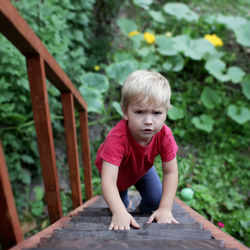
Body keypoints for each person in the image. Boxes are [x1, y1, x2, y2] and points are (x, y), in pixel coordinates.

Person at [95, 69, 179, 231]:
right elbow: (108, 181)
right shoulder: (117, 139)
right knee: (119, 203)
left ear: (166, 113)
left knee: (156, 200)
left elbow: (171, 172)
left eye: (156, 113)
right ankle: (126, 204)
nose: (148, 121)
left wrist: (165, 209)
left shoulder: (164, 135)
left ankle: (140, 211)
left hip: (142, 167)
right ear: (125, 112)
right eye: (139, 112)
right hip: (116, 172)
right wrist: (119, 211)